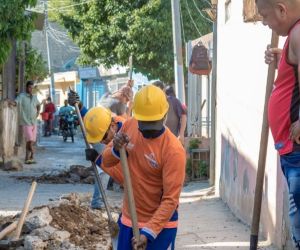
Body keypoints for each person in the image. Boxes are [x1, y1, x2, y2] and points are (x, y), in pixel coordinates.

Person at [102, 85, 186, 249]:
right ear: (137, 117)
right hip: (128, 219)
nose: (147, 133)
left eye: (152, 127)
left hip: (160, 227)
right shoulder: (129, 126)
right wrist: (115, 150)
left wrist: (148, 232)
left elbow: (170, 200)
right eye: (144, 126)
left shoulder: (173, 150)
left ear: (164, 116)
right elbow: (106, 161)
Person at [257, 0, 300, 247]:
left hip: (296, 150)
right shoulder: (293, 36)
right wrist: (282, 56)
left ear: (282, 10)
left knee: (298, 218)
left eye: (265, 16)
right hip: (289, 149)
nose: (263, 22)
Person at [68, 91, 125, 209]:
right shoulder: (106, 123)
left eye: (103, 138)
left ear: (113, 125)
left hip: (113, 142)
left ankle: (97, 202)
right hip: (102, 135)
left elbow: (119, 173)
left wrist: (98, 158)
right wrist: (79, 106)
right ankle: (97, 202)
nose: (102, 142)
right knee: (104, 168)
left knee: (105, 167)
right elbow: (93, 118)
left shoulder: (126, 132)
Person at [153, 81, 187, 145]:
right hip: (158, 141)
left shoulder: (174, 101)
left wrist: (181, 134)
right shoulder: (154, 103)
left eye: (158, 91)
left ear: (163, 90)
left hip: (173, 140)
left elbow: (183, 116)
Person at [16, 81, 41, 164]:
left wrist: (38, 112)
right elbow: (16, 102)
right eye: (29, 87)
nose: (31, 89)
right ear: (26, 87)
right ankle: (33, 155)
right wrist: (10, 103)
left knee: (30, 141)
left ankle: (27, 158)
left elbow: (38, 105)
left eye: (32, 88)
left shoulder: (34, 97)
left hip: (34, 122)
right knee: (30, 139)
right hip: (25, 121)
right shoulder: (21, 96)